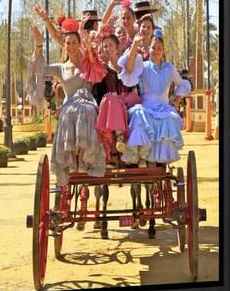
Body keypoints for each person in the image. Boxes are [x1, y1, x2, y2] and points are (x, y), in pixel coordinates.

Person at [28, 25, 106, 186]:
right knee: (68, 112)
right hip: (69, 104)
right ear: (64, 46)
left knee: (87, 111)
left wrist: (88, 44)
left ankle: (85, 159)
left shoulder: (88, 64)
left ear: (79, 44)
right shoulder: (60, 68)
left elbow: (94, 61)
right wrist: (38, 46)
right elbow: (39, 70)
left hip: (87, 102)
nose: (71, 47)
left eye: (74, 43)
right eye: (67, 43)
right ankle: (71, 161)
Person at [118, 33, 191, 167]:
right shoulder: (143, 66)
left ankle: (156, 158)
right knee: (139, 114)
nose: (156, 51)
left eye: (159, 48)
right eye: (153, 48)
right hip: (146, 106)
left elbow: (182, 84)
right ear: (148, 49)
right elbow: (128, 69)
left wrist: (176, 99)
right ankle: (141, 156)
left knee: (169, 118)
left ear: (163, 51)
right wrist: (135, 44)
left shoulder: (169, 68)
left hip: (163, 107)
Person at [94, 34, 142, 162]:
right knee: (110, 99)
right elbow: (98, 94)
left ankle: (120, 140)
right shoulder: (102, 70)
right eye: (105, 46)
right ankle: (117, 140)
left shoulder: (126, 66)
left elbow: (135, 89)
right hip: (109, 108)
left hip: (127, 104)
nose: (108, 49)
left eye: (110, 45)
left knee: (116, 100)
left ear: (117, 47)